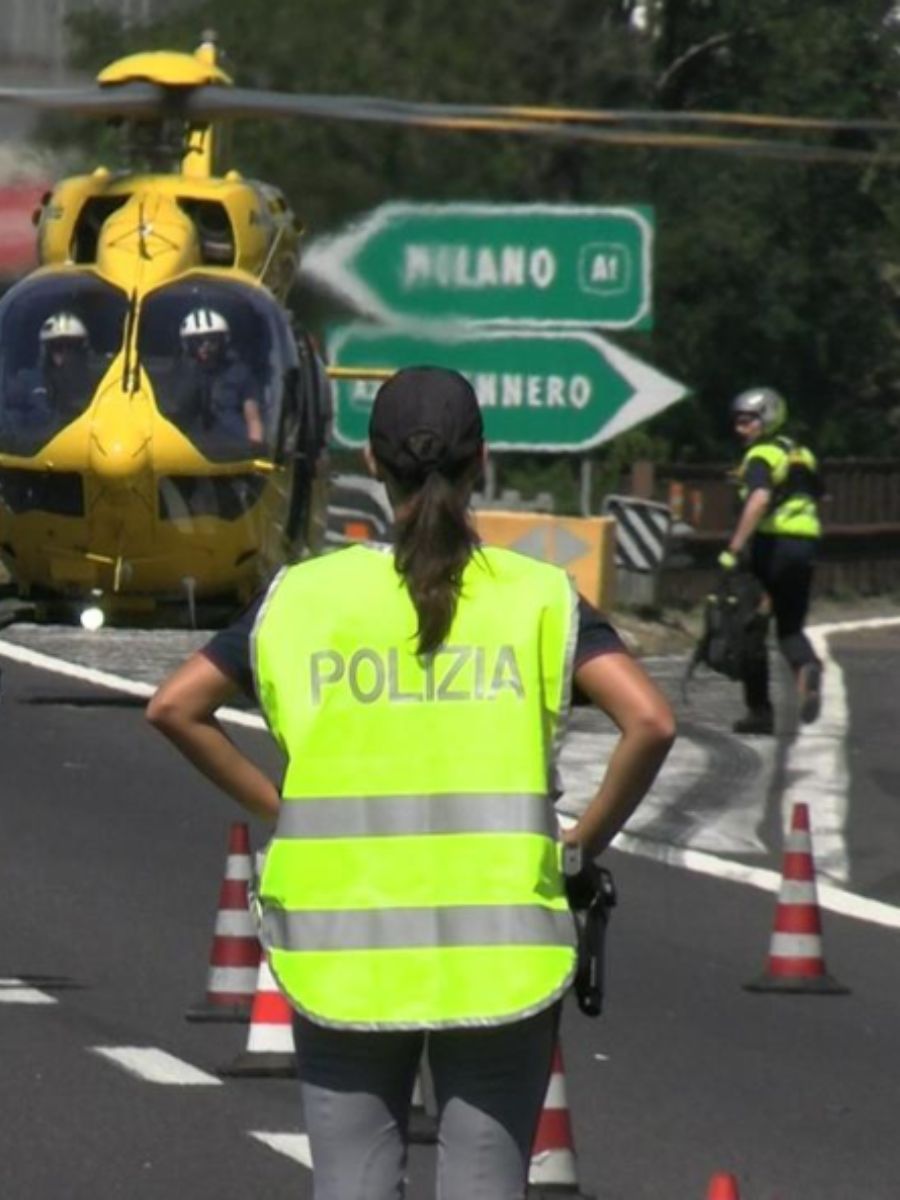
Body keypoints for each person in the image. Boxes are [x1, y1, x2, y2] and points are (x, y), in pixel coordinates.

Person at [146, 365, 675, 1200]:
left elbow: (176, 707)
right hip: (502, 943)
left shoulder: (301, 598)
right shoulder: (537, 597)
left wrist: (282, 811)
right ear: (484, 462)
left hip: (340, 942)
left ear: (371, 458)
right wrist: (582, 845)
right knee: (484, 1181)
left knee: (351, 1182)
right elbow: (650, 721)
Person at [719, 386, 823, 735]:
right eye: (737, 421)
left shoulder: (761, 456)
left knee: (751, 629)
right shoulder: (801, 454)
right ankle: (807, 667)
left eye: (747, 421)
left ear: (766, 419)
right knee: (790, 628)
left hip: (772, 545)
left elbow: (760, 498)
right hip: (805, 545)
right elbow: (818, 492)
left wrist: (734, 547)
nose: (740, 428)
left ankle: (760, 712)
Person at [171, 307, 265, 450]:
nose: (205, 347)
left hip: (233, 449)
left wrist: (255, 447)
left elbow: (253, 417)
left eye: (212, 340)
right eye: (197, 342)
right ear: (188, 345)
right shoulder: (182, 375)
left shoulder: (240, 373)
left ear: (223, 341)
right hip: (189, 450)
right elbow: (175, 415)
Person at [2, 312, 96, 451]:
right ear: (46, 351)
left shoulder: (96, 383)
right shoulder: (28, 381)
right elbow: (7, 417)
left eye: (71, 347)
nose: (64, 354)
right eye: (57, 347)